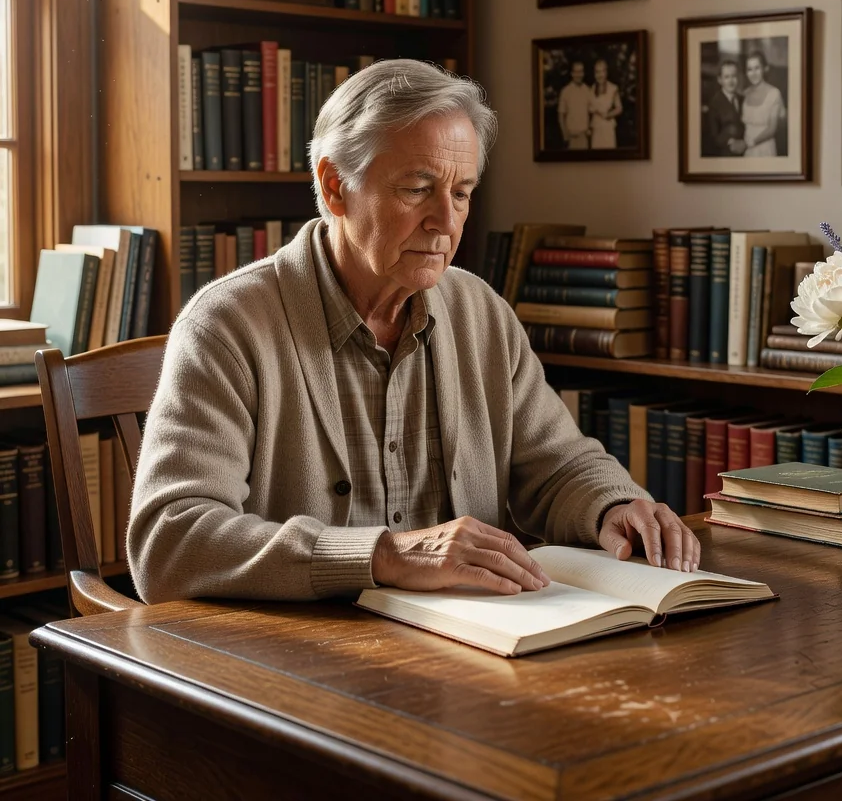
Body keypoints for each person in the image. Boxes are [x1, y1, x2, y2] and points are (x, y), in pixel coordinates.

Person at [127, 60, 700, 604]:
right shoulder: (227, 325)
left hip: (471, 648)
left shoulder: (481, 312)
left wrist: (613, 506)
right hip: (301, 660)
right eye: (417, 188)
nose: (446, 223)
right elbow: (169, 541)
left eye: (461, 193)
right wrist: (383, 555)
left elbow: (559, 465)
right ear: (334, 187)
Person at [740, 51, 786, 157]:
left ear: (765, 69)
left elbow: (771, 129)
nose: (753, 73)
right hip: (746, 151)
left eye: (757, 68)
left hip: (765, 149)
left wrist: (748, 144)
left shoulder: (774, 93)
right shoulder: (744, 93)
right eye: (749, 69)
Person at [701, 59, 746, 157]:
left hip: (744, 153)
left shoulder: (743, 99)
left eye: (734, 76)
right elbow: (713, 135)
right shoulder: (714, 104)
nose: (731, 81)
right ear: (720, 80)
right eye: (726, 77)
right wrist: (730, 142)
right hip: (725, 155)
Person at [557, 60, 592, 149]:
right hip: (570, 136)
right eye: (576, 72)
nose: (578, 75)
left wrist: (590, 129)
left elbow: (592, 112)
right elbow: (561, 115)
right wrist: (565, 134)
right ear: (572, 73)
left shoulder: (587, 90)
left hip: (584, 136)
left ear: (583, 73)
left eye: (580, 72)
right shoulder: (565, 91)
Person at [588, 59, 622, 149]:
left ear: (606, 72)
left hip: (608, 127)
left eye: (602, 71)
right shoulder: (592, 88)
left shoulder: (613, 88)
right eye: (597, 72)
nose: (600, 75)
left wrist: (608, 115)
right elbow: (590, 107)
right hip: (596, 127)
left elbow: (619, 108)